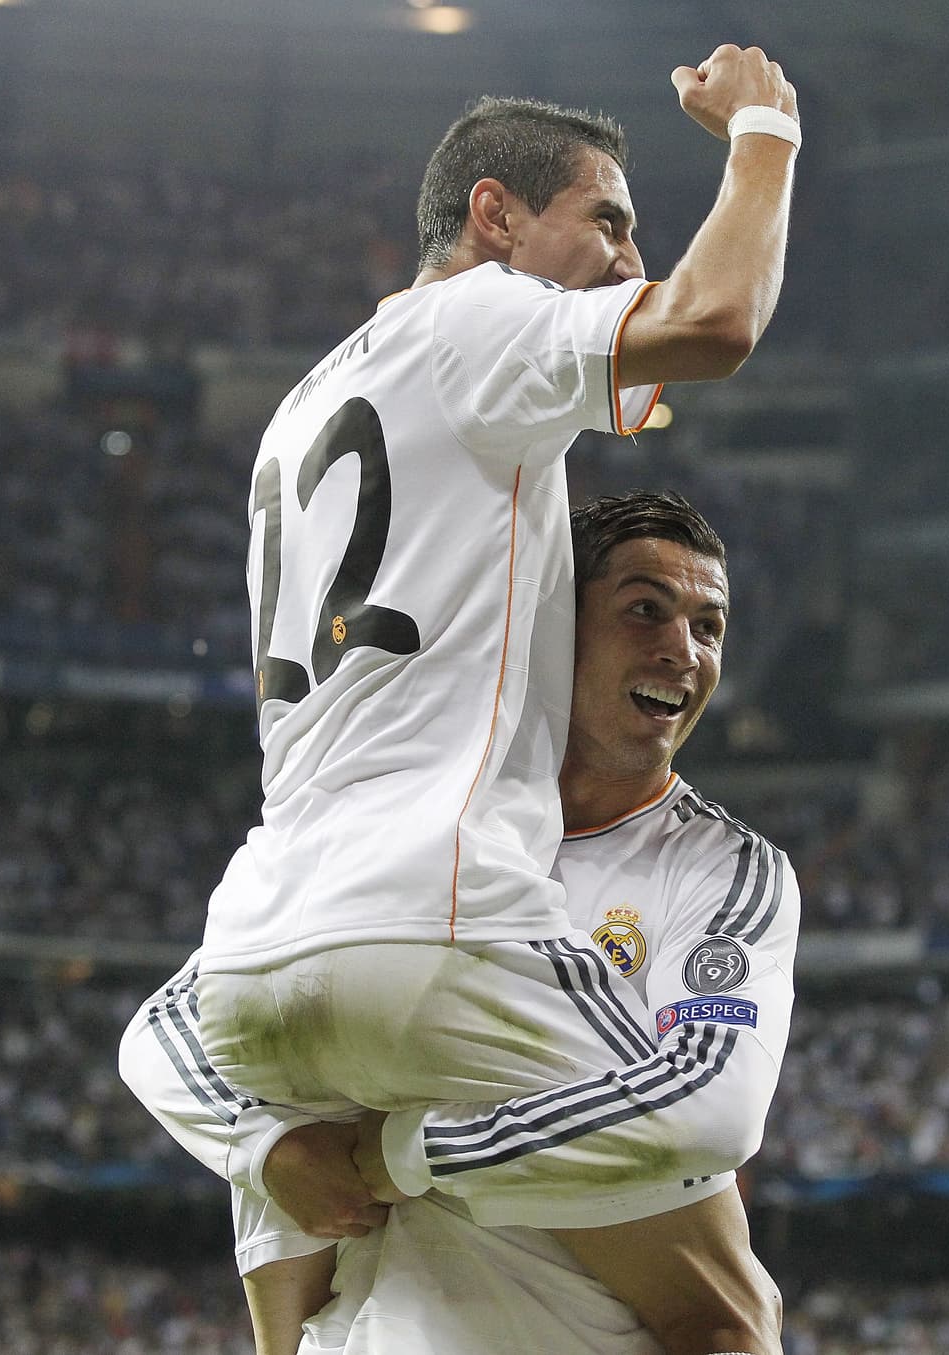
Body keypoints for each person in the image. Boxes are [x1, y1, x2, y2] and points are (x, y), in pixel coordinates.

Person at [125, 41, 800, 1355]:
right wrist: (765, 130)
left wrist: (265, 1140)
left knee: (304, 1218)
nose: (625, 257)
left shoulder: (316, 399)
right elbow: (717, 319)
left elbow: (631, 390)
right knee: (724, 1279)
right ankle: (397, 1166)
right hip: (434, 913)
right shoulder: (482, 319)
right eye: (608, 219)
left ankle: (317, 1178)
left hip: (264, 932)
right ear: (494, 215)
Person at [125, 492, 798, 1354]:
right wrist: (268, 1145)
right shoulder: (421, 818)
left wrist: (412, 1150)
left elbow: (711, 1103)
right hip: (375, 1327)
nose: (684, 650)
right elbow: (170, 1021)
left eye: (710, 626)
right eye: (645, 609)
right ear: (554, 624)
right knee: (280, 1061)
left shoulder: (719, 867)